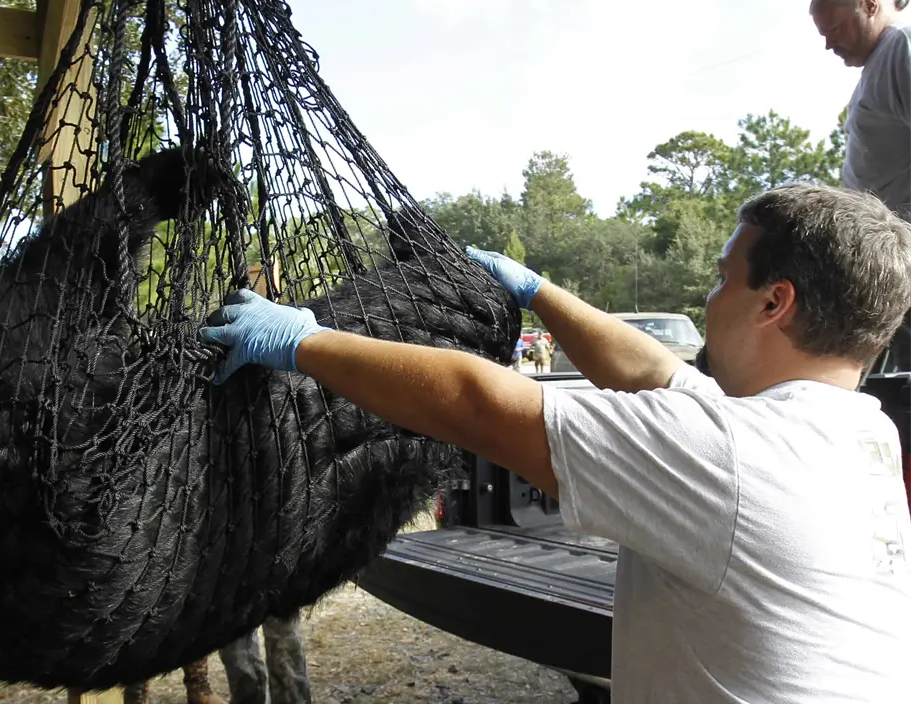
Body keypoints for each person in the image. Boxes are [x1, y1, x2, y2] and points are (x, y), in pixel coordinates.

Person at [198, 182, 911, 703]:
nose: (707, 300)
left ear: (773, 302)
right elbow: (653, 369)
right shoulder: (856, 433)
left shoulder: (731, 456)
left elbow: (483, 405)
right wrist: (536, 289)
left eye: (723, 279)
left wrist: (304, 342)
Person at [811, 0, 911, 216]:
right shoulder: (880, 61)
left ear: (869, 6)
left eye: (834, 29)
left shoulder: (901, 46)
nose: (828, 45)